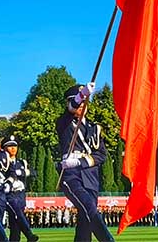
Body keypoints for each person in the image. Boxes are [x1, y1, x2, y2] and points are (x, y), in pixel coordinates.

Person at [57, 83, 114, 242]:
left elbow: (102, 155)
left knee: (85, 220)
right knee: (90, 209)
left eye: (85, 102)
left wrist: (80, 161)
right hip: (71, 176)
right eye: (78, 103)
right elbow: (72, 108)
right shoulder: (64, 122)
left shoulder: (94, 128)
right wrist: (80, 96)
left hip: (90, 177)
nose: (81, 106)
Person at [2, 135, 39, 242]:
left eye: (15, 146)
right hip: (9, 194)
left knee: (15, 225)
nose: (13, 148)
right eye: (9, 146)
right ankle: (29, 234)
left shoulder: (22, 162)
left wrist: (20, 172)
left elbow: (32, 172)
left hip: (20, 194)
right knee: (17, 214)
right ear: (4, 148)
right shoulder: (2, 162)